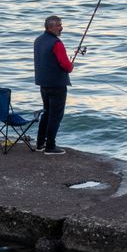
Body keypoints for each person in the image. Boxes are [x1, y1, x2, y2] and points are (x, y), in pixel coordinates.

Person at [33, 15, 74, 155]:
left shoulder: (38, 40)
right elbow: (66, 66)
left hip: (43, 83)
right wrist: (71, 65)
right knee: (55, 115)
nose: (61, 27)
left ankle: (40, 144)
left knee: (46, 112)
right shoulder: (56, 43)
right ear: (50, 27)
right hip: (57, 84)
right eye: (58, 25)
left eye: (61, 25)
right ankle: (50, 146)